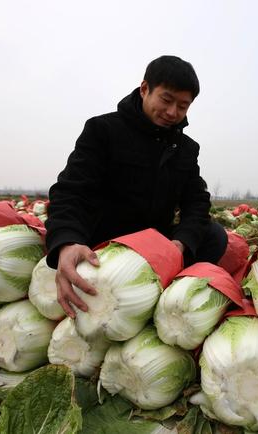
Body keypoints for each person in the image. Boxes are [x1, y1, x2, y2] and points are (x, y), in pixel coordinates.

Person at [45, 55, 228, 318]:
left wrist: (180, 243)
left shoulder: (186, 149)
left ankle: (171, 299)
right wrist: (67, 242)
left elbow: (197, 201)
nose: (173, 112)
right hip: (105, 244)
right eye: (166, 100)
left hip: (154, 246)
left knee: (213, 235)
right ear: (144, 89)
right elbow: (72, 190)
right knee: (74, 242)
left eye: (183, 106)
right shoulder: (103, 130)